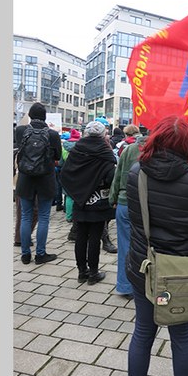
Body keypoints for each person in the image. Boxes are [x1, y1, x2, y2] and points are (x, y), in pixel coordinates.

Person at [124, 116, 188, 376]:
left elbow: (135, 218)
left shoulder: (136, 174)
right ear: (187, 146)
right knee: (182, 335)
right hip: (182, 270)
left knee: (142, 331)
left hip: (145, 265)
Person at [59, 120, 116, 285]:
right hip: (98, 201)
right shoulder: (105, 151)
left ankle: (81, 271)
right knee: (95, 238)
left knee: (81, 236)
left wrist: (76, 191)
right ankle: (93, 272)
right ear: (102, 135)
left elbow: (65, 173)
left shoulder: (77, 149)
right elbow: (111, 176)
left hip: (80, 200)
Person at [14, 103, 63, 265]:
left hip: (25, 178)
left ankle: (25, 254)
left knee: (26, 216)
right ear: (45, 117)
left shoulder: (20, 131)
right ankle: (40, 254)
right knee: (43, 217)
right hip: (45, 179)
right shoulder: (52, 135)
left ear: (29, 115)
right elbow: (57, 157)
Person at [108, 133, 147, 300]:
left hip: (124, 201)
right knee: (145, 247)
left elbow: (117, 177)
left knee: (124, 245)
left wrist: (113, 198)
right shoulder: (157, 152)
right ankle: (144, 284)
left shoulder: (128, 149)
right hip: (145, 205)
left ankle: (124, 285)